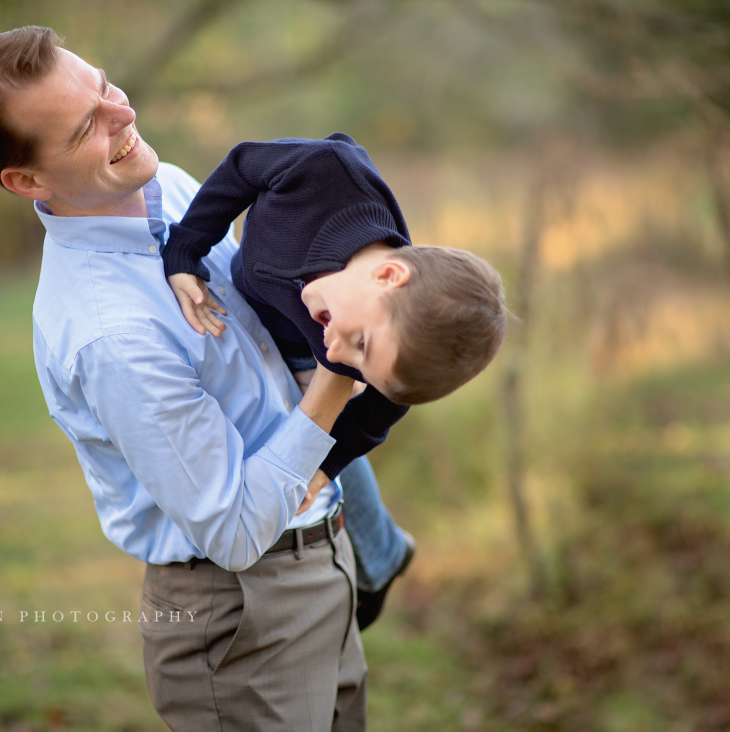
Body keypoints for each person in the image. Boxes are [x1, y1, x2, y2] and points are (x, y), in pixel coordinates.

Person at [0, 26, 368, 731]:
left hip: (321, 563)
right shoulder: (112, 334)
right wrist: (344, 371)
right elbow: (231, 532)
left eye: (104, 87)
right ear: (27, 181)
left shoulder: (161, 184)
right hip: (243, 617)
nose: (122, 116)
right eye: (85, 128)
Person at [163, 135, 508, 625]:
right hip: (265, 292)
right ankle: (385, 549)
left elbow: (377, 409)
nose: (339, 359)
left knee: (316, 442)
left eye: (360, 369)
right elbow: (241, 169)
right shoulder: (325, 175)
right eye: (362, 345)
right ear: (388, 275)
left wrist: (327, 465)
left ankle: (374, 556)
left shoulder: (358, 344)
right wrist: (185, 250)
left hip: (293, 338)